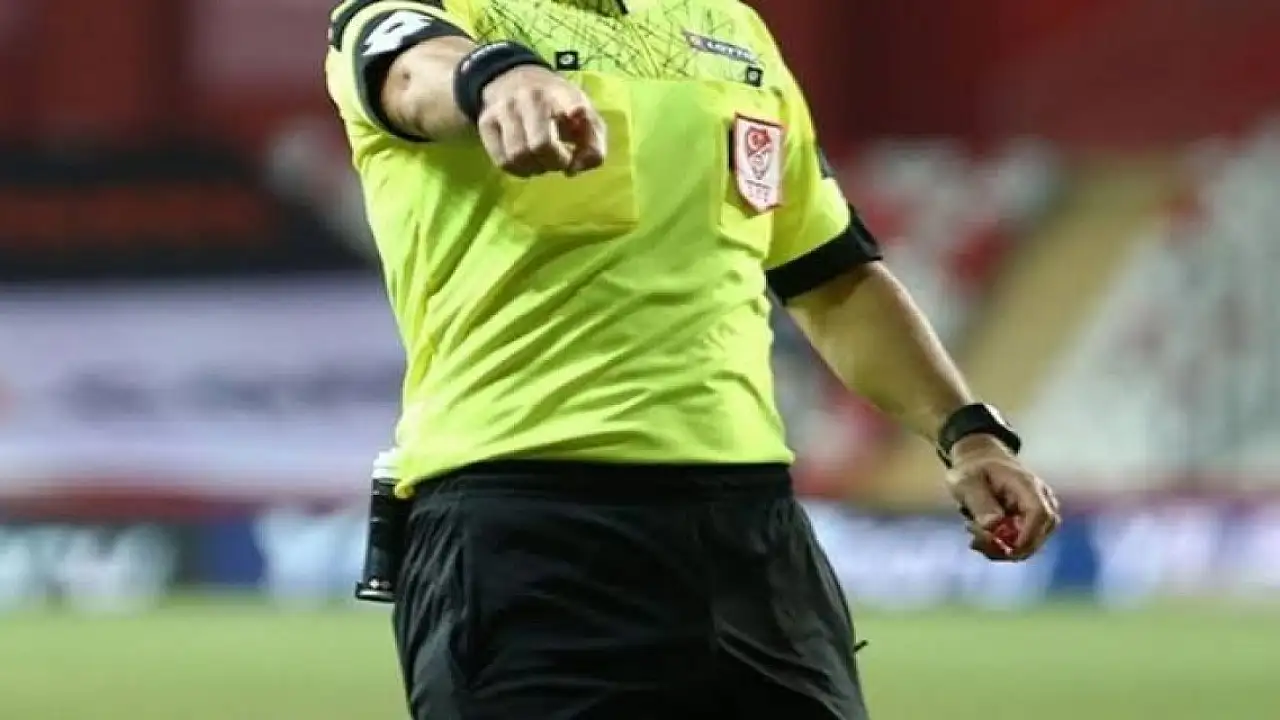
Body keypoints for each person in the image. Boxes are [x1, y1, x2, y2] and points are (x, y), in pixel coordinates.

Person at [324, 1, 1061, 718]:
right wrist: (496, 74)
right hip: (525, 526)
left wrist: (968, 434)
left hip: (753, 538)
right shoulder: (421, 13)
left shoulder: (730, 26)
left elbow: (831, 278)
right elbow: (412, 70)